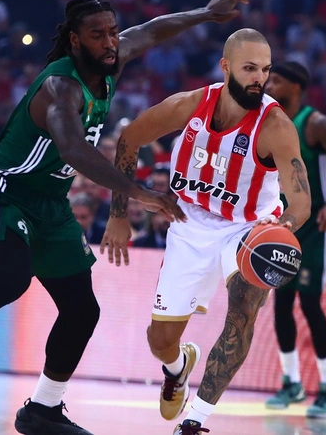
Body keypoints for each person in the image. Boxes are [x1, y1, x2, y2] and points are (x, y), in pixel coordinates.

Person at [0, 0, 249, 435]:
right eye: (97, 35)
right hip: (6, 192)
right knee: (11, 278)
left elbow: (152, 31)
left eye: (112, 32)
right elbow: (73, 149)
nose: (110, 42)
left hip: (51, 203)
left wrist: (205, 12)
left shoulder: (110, 60)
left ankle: (43, 409)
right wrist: (137, 192)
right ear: (75, 41)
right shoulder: (60, 87)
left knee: (82, 310)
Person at [102, 29, 312, 435]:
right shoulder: (191, 105)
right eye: (250, 68)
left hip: (250, 228)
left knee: (241, 316)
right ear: (226, 67)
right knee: (160, 340)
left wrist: (284, 225)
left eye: (265, 70)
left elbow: (301, 199)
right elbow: (129, 139)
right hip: (191, 222)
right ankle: (177, 367)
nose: (259, 78)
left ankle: (195, 419)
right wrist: (119, 214)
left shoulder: (275, 125)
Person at [262, 61, 326, 417]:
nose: (268, 85)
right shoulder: (269, 122)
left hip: (319, 225)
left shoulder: (316, 124)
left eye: (276, 80)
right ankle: (291, 382)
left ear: (296, 87)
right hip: (286, 225)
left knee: (310, 302)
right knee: (281, 304)